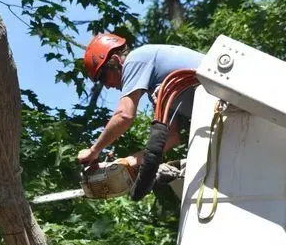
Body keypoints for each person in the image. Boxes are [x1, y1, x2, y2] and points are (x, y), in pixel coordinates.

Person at [78, 33, 204, 168]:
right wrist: (127, 163)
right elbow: (170, 137)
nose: (107, 86)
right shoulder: (158, 91)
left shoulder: (135, 60)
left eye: (103, 78)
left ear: (116, 60)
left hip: (223, 92)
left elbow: (124, 115)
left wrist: (93, 151)